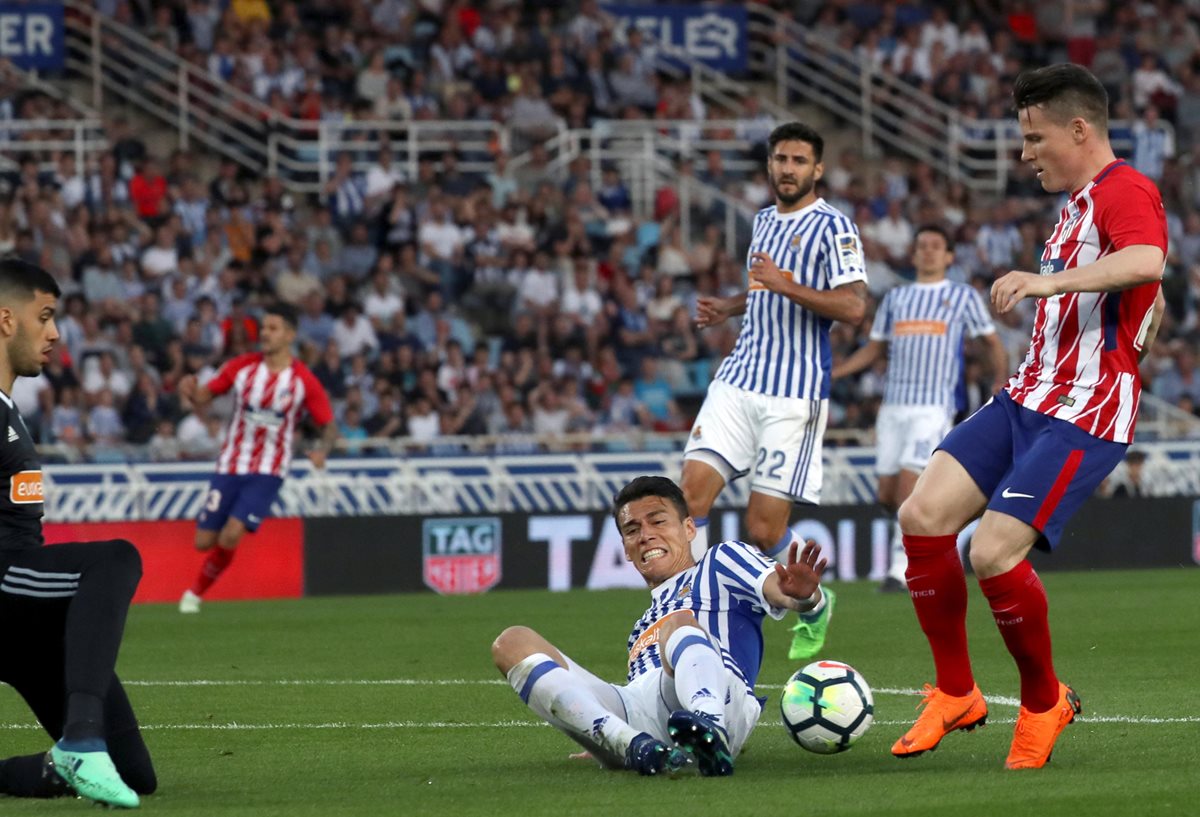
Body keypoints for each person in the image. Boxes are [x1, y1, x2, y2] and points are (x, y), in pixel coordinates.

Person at [892, 64, 1167, 770]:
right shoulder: (1076, 204)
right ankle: (956, 691)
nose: (1025, 153)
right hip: (1026, 397)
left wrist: (1046, 279)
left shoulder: (1125, 188)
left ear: (1080, 129)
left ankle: (1044, 701)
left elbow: (1146, 258)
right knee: (922, 515)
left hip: (1084, 410)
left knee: (991, 552)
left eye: (1034, 136)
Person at [491, 476, 827, 777]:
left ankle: (710, 730)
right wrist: (587, 719)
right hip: (643, 712)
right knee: (512, 642)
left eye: (657, 521)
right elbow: (643, 696)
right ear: (624, 547)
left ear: (689, 528)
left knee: (676, 623)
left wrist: (804, 597)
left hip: (720, 699)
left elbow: (779, 590)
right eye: (632, 530)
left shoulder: (721, 561)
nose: (645, 535)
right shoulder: (641, 628)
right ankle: (626, 743)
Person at [684, 122, 867, 660]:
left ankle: (813, 603)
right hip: (739, 378)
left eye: (797, 160)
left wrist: (786, 283)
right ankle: (692, 619)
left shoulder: (835, 229)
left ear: (817, 170)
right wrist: (731, 306)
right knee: (690, 495)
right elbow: (764, 292)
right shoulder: (763, 220)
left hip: (793, 394)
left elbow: (855, 306)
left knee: (763, 533)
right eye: (779, 159)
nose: (787, 169)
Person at [0, 258, 155, 808]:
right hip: (3, 584)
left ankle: (64, 757)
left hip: (23, 609)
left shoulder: (9, 410)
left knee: (135, 776)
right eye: (44, 317)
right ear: (5, 321)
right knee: (114, 560)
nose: (56, 333)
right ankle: (81, 738)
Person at [831, 226, 1008, 592]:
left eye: (935, 246)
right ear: (912, 256)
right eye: (921, 246)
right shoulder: (896, 299)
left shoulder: (962, 296)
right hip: (893, 407)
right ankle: (950, 531)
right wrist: (837, 371)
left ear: (948, 257)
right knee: (885, 494)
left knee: (907, 493)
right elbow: (875, 348)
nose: (927, 251)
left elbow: (992, 342)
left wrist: (1000, 379)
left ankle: (900, 570)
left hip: (933, 407)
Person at [177, 302, 336, 613]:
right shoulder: (242, 367)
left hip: (268, 471)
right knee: (204, 541)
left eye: (273, 328)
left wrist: (322, 450)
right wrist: (190, 390)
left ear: (290, 335)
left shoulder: (303, 380)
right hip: (230, 465)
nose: (265, 333)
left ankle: (193, 595)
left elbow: (329, 426)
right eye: (264, 327)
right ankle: (198, 589)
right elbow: (203, 397)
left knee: (233, 532)